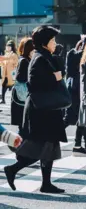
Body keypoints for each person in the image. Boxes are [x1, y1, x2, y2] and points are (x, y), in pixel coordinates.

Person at [4, 25, 67, 193]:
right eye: (52, 40)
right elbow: (34, 84)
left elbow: (61, 71)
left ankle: (45, 183)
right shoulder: (39, 58)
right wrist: (55, 78)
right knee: (43, 147)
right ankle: (13, 169)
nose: (55, 43)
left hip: (47, 109)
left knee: (49, 147)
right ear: (45, 42)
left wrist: (57, 73)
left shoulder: (46, 56)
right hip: (41, 111)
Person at [11, 38, 34, 139]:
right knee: (23, 128)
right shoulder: (24, 61)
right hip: (22, 98)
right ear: (30, 50)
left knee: (24, 127)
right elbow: (20, 78)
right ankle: (20, 150)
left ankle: (21, 149)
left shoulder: (25, 60)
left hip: (21, 98)